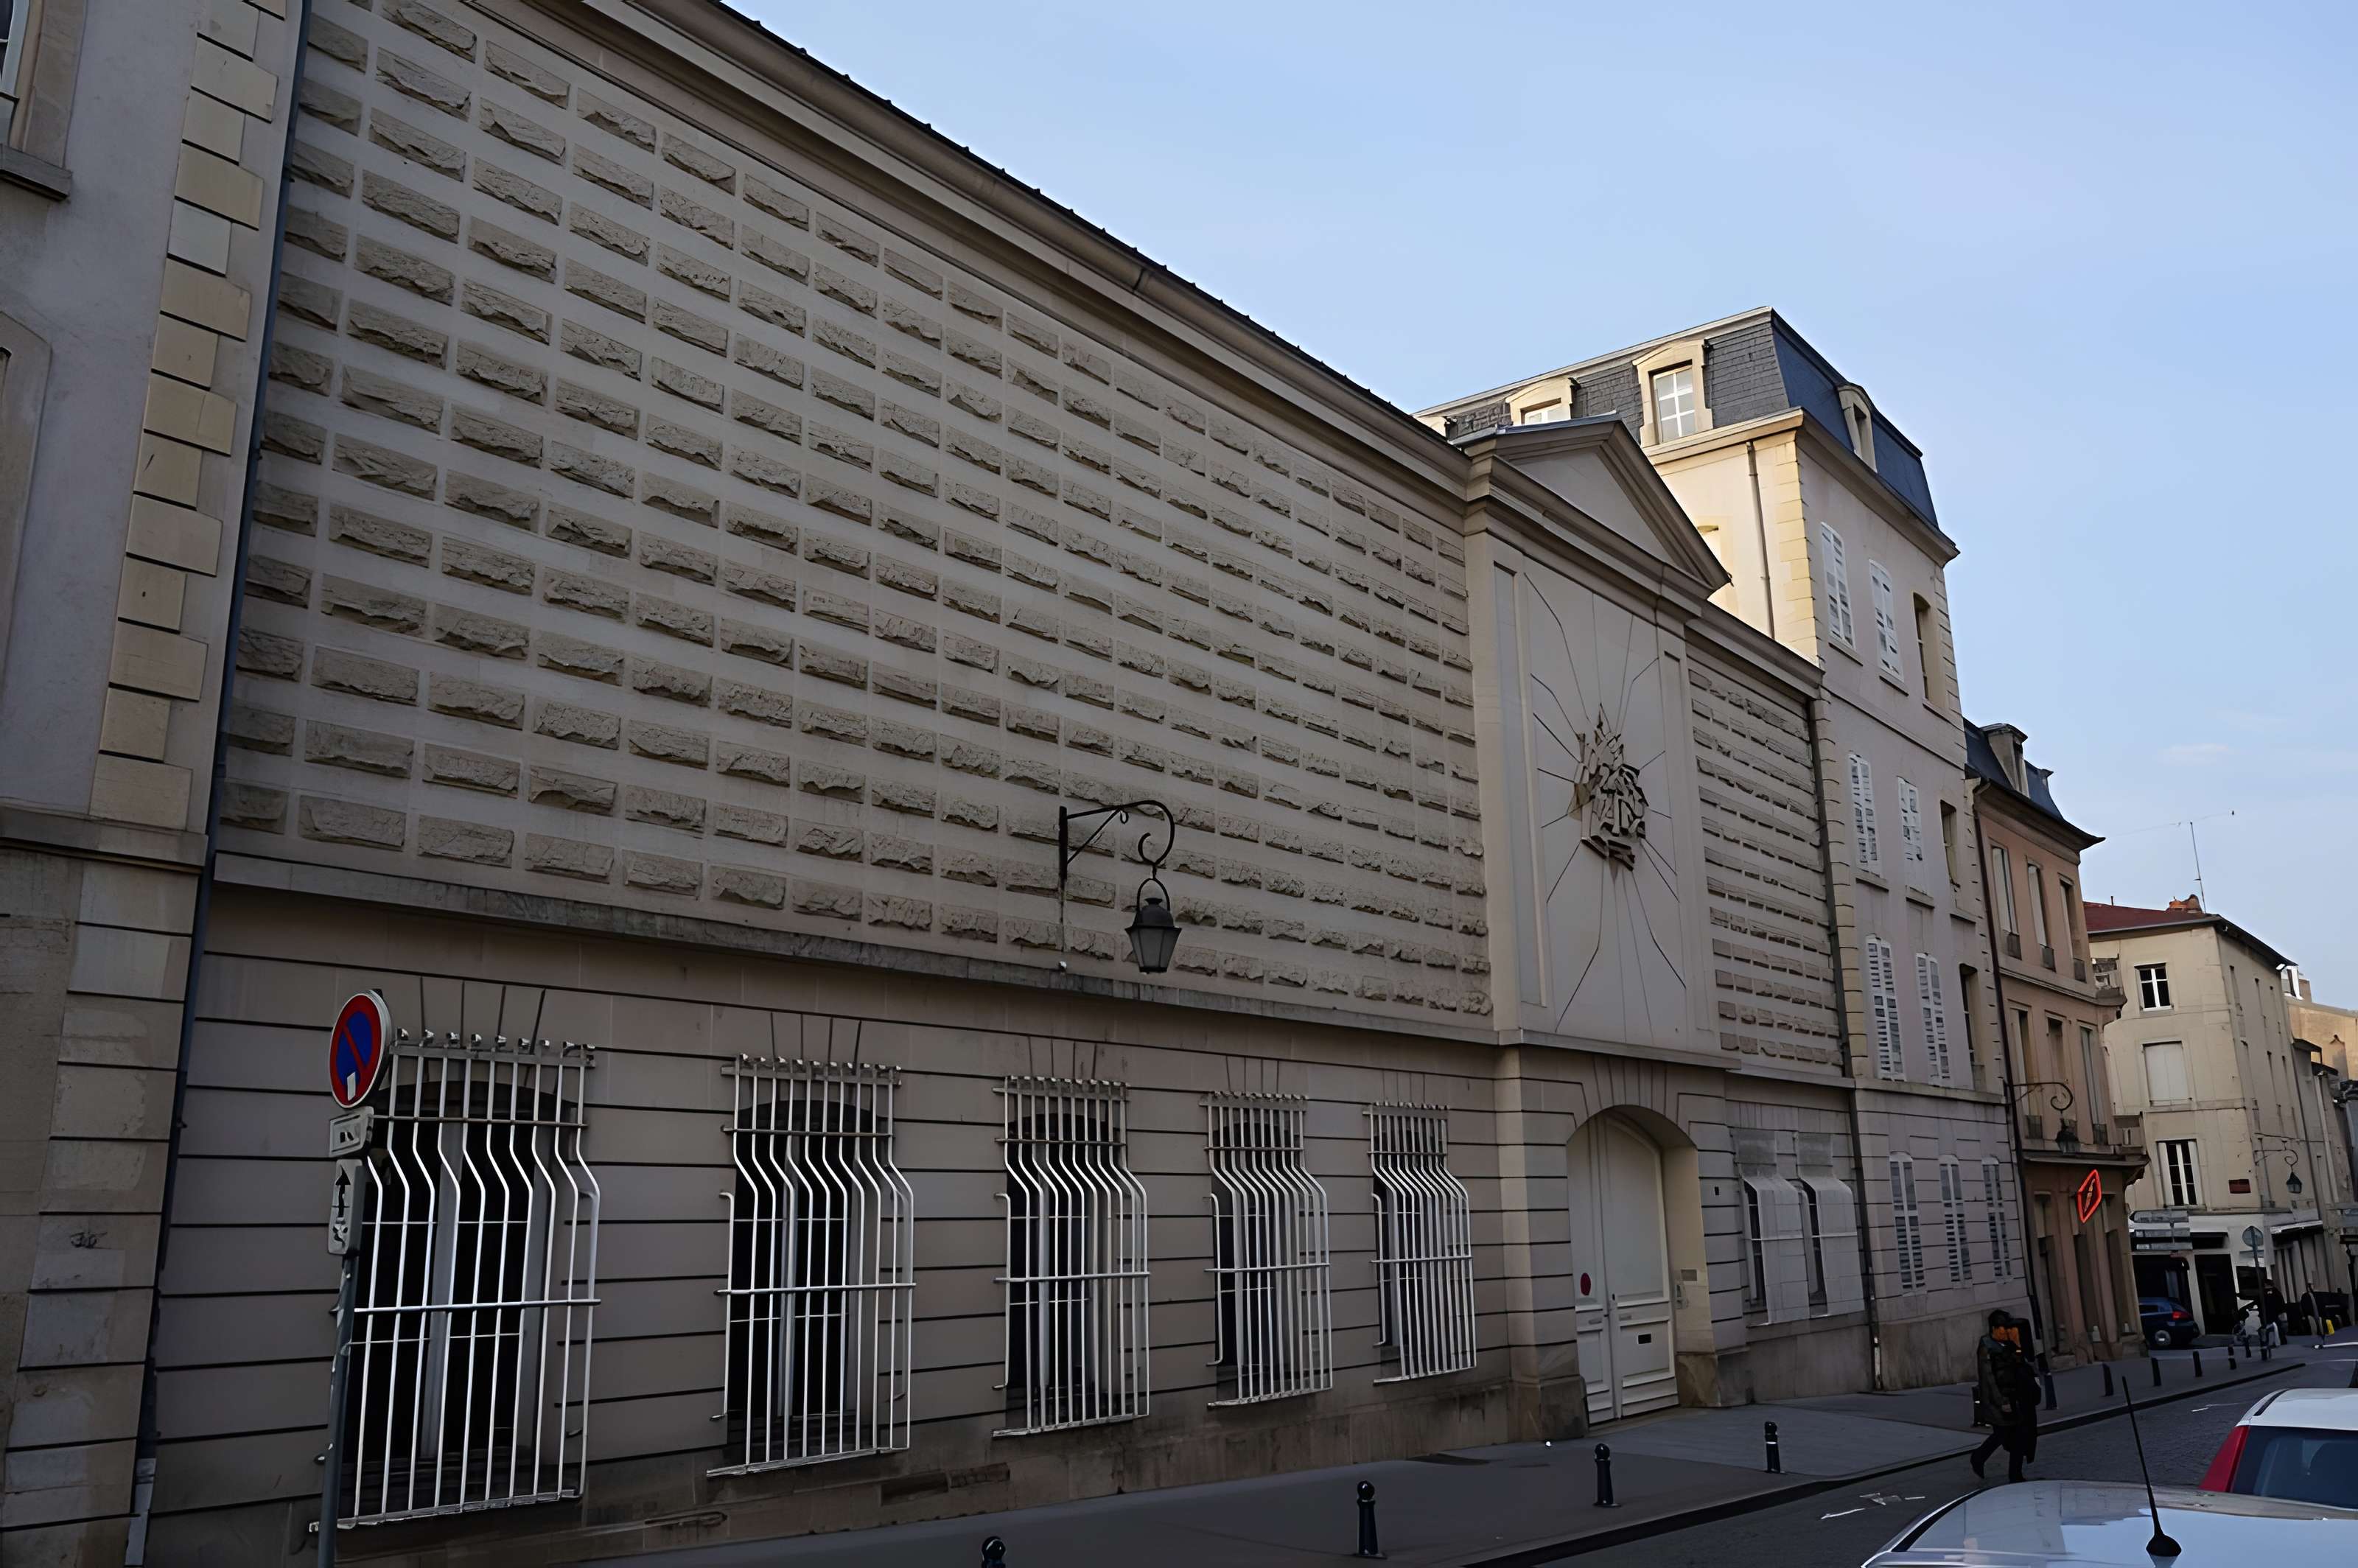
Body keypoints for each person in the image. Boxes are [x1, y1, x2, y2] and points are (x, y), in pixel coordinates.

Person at [1970, 1310, 2037, 1483]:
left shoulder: (2009, 1344)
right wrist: (2002, 1402)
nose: (2006, 1331)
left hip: (2013, 1398)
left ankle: (2014, 1474)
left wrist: (2018, 1345)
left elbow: (2022, 1363)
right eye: (2003, 1328)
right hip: (1997, 1401)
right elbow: (1989, 1378)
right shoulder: (1987, 1346)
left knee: (2017, 1436)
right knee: (2003, 1434)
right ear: (1994, 1328)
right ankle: (1979, 1457)